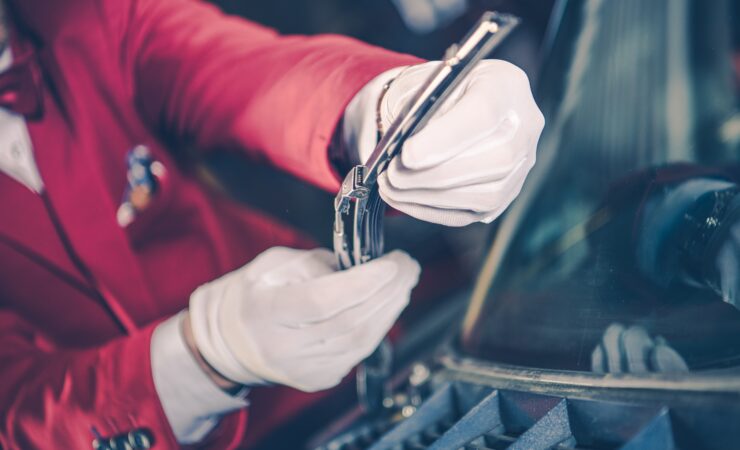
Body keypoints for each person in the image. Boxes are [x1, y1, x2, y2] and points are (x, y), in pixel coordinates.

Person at [0, 0, 544, 448]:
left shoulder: (84, 15)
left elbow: (241, 70)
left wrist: (385, 111)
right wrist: (205, 353)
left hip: (356, 358)